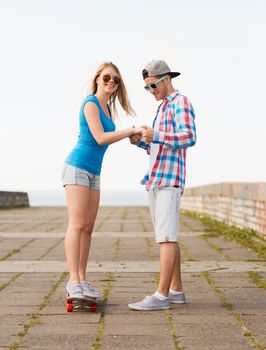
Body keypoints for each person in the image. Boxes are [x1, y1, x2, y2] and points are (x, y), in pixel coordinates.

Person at [62, 62, 141, 300]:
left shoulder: (107, 108)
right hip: (77, 168)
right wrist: (129, 131)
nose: (111, 82)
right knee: (76, 225)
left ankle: (82, 279)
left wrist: (131, 136)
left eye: (116, 80)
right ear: (97, 78)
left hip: (94, 172)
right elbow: (99, 138)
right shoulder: (90, 103)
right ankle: (73, 281)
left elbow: (108, 135)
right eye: (107, 77)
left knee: (88, 228)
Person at [128, 60, 196, 311]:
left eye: (153, 85)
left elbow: (189, 137)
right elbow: (162, 147)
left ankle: (161, 295)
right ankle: (176, 291)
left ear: (167, 78)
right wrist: (143, 142)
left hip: (170, 181)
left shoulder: (181, 102)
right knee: (168, 237)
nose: (151, 91)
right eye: (146, 88)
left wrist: (155, 135)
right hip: (156, 179)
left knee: (166, 238)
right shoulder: (162, 108)